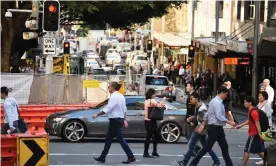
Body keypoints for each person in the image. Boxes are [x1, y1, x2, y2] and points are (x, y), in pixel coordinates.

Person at [189, 86, 236, 166]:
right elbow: (219, 116)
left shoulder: (213, 101)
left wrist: (203, 124)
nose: (226, 96)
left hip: (217, 128)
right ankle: (193, 163)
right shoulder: (217, 102)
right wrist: (230, 122)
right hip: (215, 128)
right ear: (221, 93)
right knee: (207, 148)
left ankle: (229, 164)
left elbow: (207, 114)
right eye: (225, 94)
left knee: (224, 148)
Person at [92, 82, 136, 164]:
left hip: (115, 120)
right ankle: (103, 157)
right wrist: (124, 119)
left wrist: (97, 114)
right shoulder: (121, 96)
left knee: (120, 139)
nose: (108, 88)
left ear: (113, 87)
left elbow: (108, 108)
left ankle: (131, 156)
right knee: (109, 139)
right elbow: (124, 110)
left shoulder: (114, 96)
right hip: (119, 119)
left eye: (109, 87)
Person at [175, 92, 221, 166]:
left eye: (191, 99)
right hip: (201, 130)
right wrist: (192, 117)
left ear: (196, 99)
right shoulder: (198, 106)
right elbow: (198, 116)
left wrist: (199, 127)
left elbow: (206, 120)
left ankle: (184, 162)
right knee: (206, 147)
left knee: (191, 145)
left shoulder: (202, 109)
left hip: (200, 130)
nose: (190, 101)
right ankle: (217, 161)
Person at [236, 96, 265, 166]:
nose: (244, 104)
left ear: (250, 103)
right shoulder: (251, 111)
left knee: (247, 150)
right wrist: (241, 125)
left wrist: (260, 134)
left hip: (254, 134)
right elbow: (250, 120)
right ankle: (269, 160)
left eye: (245, 102)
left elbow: (257, 124)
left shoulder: (253, 112)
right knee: (259, 151)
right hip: (254, 134)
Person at [143, 88, 166, 158]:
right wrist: (164, 99)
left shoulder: (146, 100)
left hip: (147, 120)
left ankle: (151, 152)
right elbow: (159, 105)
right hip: (151, 121)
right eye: (154, 94)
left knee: (151, 136)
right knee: (152, 136)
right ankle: (148, 152)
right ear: (152, 94)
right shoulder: (152, 100)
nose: (155, 95)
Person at [254, 91, 273, 165]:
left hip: (266, 125)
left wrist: (261, 114)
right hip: (260, 125)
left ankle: (266, 159)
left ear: (264, 97)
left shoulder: (267, 104)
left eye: (260, 96)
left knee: (266, 143)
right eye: (258, 96)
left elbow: (269, 114)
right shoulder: (258, 104)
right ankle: (264, 159)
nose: (258, 97)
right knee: (261, 143)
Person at [184, 82, 201, 155]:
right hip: (188, 116)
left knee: (190, 135)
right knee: (185, 133)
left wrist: (193, 117)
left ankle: (192, 151)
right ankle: (196, 147)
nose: (186, 87)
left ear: (192, 87)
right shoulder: (189, 95)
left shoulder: (195, 95)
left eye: (188, 86)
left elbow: (197, 107)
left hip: (192, 117)